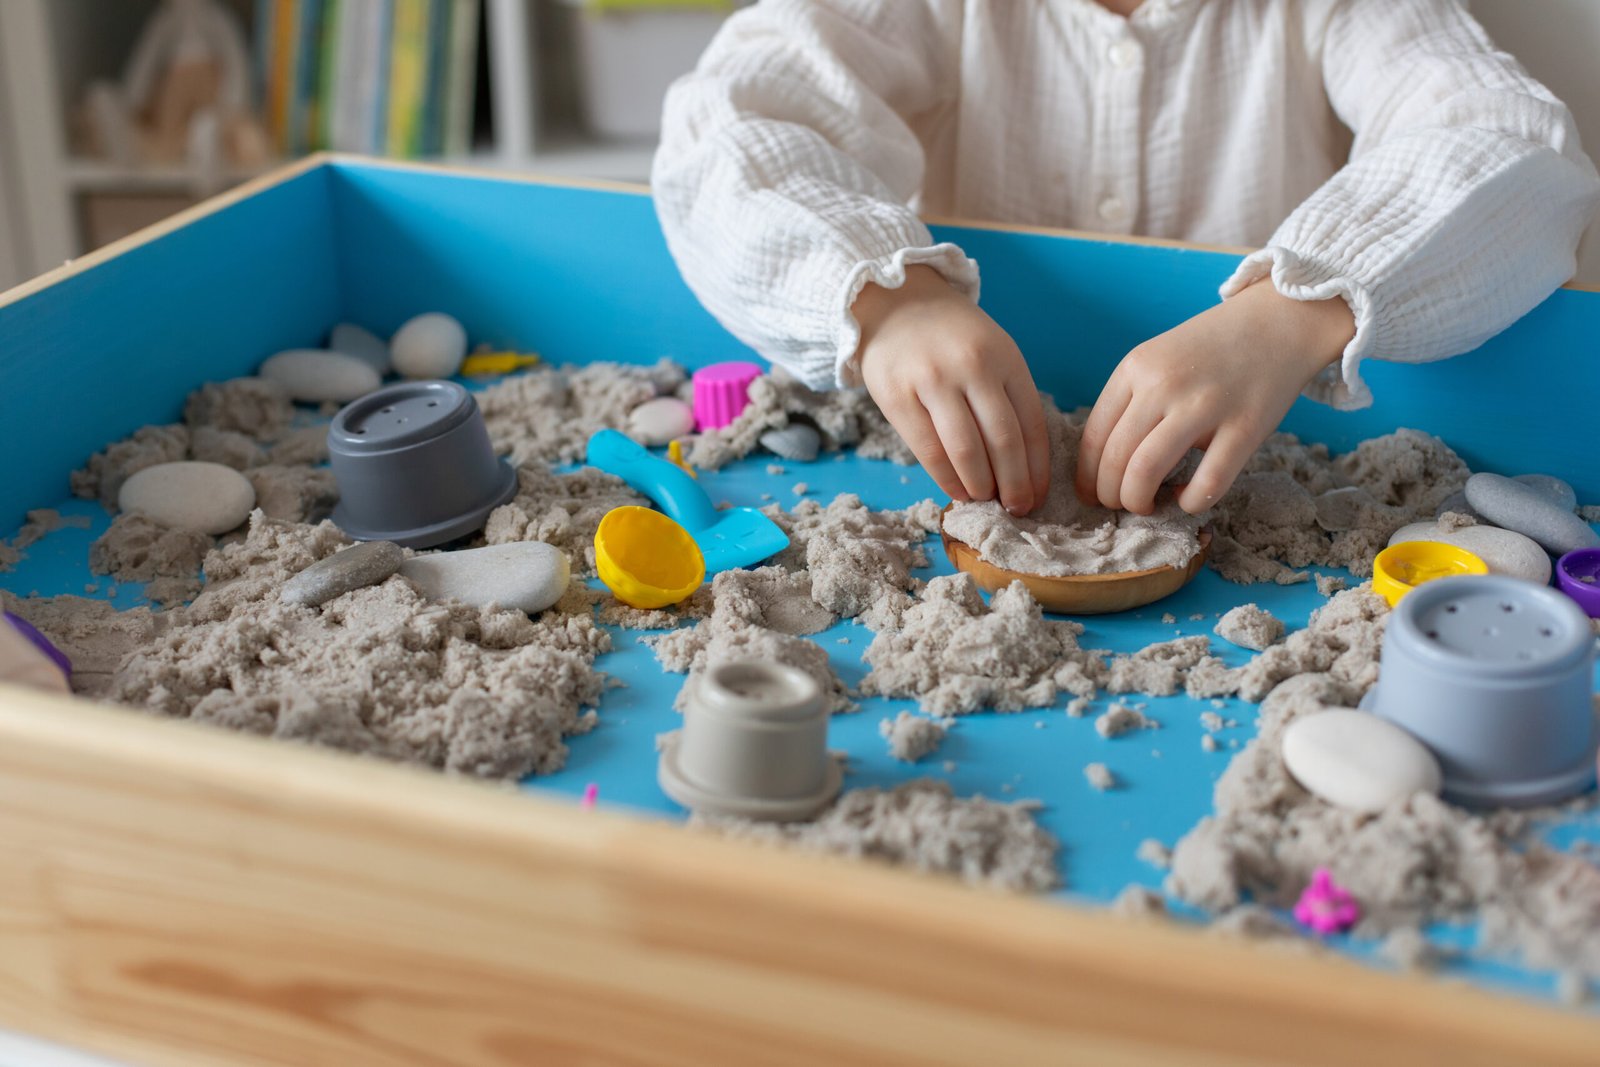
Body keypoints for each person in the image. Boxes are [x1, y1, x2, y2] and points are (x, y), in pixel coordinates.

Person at [652, 0, 1599, 519]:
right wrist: (891, 303)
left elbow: (1514, 142)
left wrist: (1291, 312)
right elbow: (724, 124)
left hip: (1266, 454)